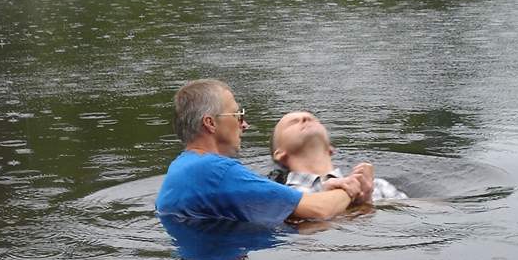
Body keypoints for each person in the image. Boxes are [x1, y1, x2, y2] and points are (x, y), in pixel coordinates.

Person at [155, 79, 373, 225]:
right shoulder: (216, 172)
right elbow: (320, 211)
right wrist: (352, 187)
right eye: (237, 115)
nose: (244, 124)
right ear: (210, 123)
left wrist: (324, 189)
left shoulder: (182, 167)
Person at [269, 110, 406, 203]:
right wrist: (333, 197)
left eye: (313, 119)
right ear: (279, 153)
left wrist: (366, 200)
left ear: (330, 148)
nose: (306, 119)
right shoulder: (282, 197)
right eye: (293, 122)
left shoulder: (376, 185)